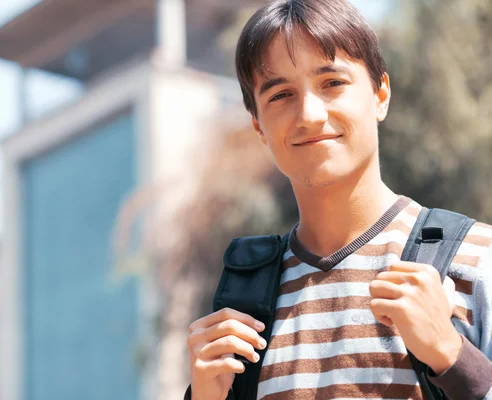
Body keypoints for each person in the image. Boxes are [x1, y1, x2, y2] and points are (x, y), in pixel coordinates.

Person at [184, 0, 492, 399]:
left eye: (332, 83)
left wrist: (452, 356)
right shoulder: (246, 307)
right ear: (258, 125)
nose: (309, 114)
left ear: (380, 94)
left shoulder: (476, 259)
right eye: (281, 95)